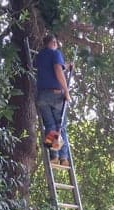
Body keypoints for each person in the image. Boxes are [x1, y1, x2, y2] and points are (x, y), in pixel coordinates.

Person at [35, 34, 71, 167]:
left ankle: (54, 156)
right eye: (55, 42)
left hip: (42, 96)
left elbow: (51, 67)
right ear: (53, 43)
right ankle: (63, 158)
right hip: (55, 95)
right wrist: (66, 91)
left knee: (49, 127)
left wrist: (66, 66)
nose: (57, 45)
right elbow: (57, 69)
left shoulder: (39, 56)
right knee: (60, 126)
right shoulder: (55, 53)